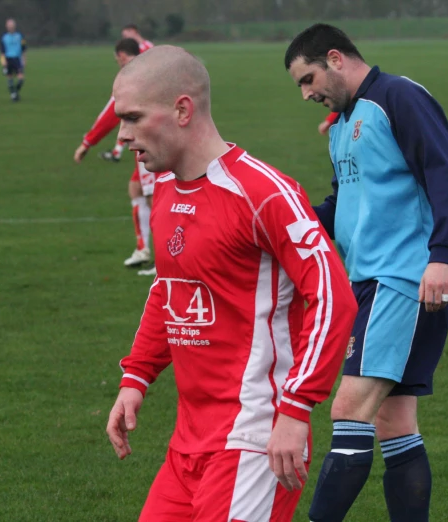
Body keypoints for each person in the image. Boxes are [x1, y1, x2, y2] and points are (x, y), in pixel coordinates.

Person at [105, 45, 358, 521]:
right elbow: (169, 289)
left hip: (256, 441)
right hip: (188, 443)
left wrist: (295, 408)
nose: (123, 136)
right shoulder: (165, 192)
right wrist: (136, 376)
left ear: (182, 110)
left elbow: (332, 297)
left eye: (134, 118)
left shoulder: (262, 193)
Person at [284, 23, 448, 522]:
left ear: (336, 58)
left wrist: (442, 255)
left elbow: (444, 172)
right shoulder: (343, 122)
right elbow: (344, 204)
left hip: (401, 280)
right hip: (367, 282)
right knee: (394, 422)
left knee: (349, 411)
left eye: (308, 79)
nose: (307, 94)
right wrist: (283, 224)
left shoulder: (398, 97)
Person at [73, 38, 165, 274]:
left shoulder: (133, 78)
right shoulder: (149, 71)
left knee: (156, 200)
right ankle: (143, 249)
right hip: (150, 141)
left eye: (117, 59)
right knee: (136, 189)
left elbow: (112, 112)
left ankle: (165, 262)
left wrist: (87, 142)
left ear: (122, 56)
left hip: (149, 143)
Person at [98, 24, 156, 163]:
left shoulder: (146, 48)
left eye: (126, 35)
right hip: (142, 93)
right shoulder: (145, 46)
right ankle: (117, 152)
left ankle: (118, 152)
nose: (124, 38)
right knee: (128, 120)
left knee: (129, 119)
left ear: (134, 32)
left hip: (145, 94)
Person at [0, 18, 26, 102]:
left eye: (12, 26)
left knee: (21, 79)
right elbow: (2, 52)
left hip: (17, 59)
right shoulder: (4, 38)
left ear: (15, 26)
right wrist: (3, 62)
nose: (10, 27)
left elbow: (23, 49)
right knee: (10, 78)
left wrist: (24, 60)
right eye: (9, 26)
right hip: (8, 59)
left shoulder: (20, 36)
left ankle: (15, 92)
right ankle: (13, 95)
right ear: (6, 27)